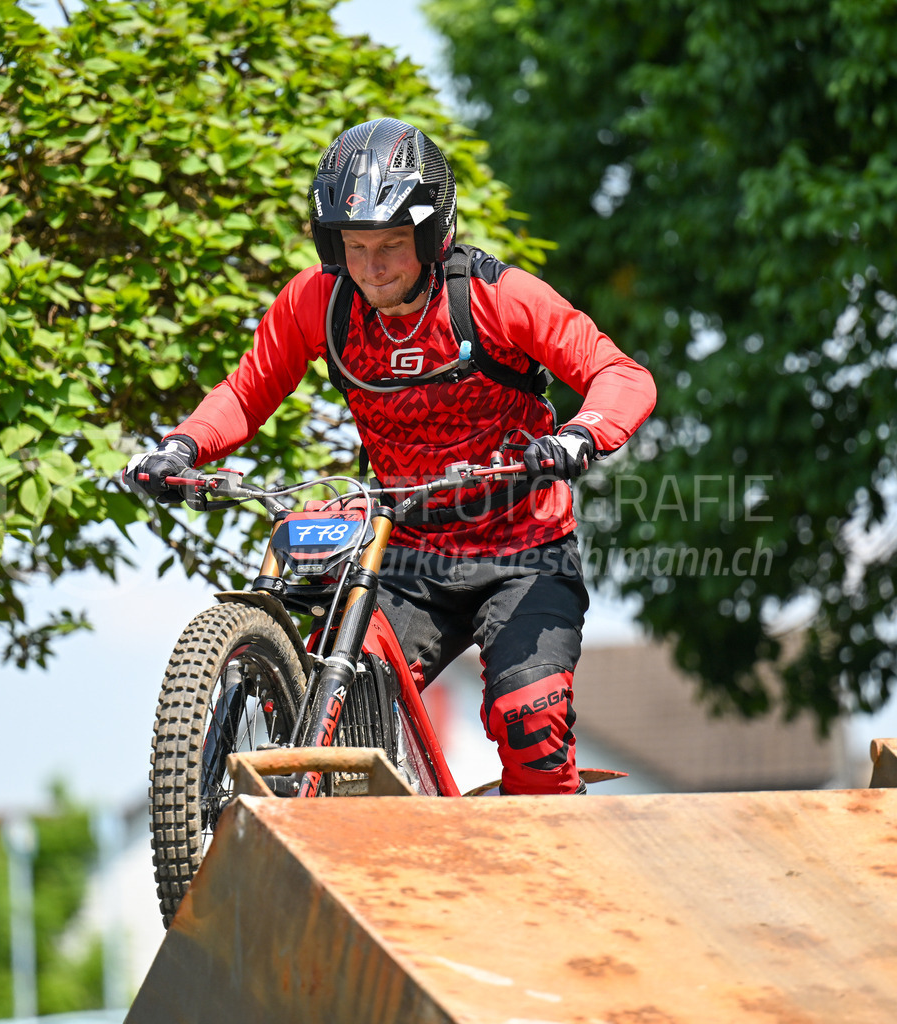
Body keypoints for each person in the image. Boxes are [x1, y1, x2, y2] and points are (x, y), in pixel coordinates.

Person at [125, 118, 656, 795]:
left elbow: (622, 375)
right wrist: (181, 446)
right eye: (355, 247)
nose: (372, 268)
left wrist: (579, 436)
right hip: (407, 551)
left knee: (530, 720)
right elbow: (245, 391)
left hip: (525, 549)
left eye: (392, 246)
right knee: (326, 702)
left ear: (434, 236)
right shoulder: (319, 304)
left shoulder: (496, 298)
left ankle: (554, 841)